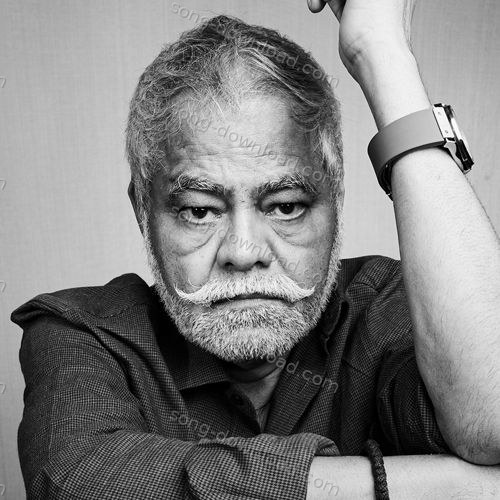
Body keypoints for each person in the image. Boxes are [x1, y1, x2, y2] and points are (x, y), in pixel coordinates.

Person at [11, 0, 500, 498]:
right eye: (199, 211)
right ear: (143, 211)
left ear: (335, 203)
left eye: (285, 206)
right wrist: (455, 489)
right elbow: (77, 483)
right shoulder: (82, 334)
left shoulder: (390, 307)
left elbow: (493, 418)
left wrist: (381, 51)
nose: (243, 253)